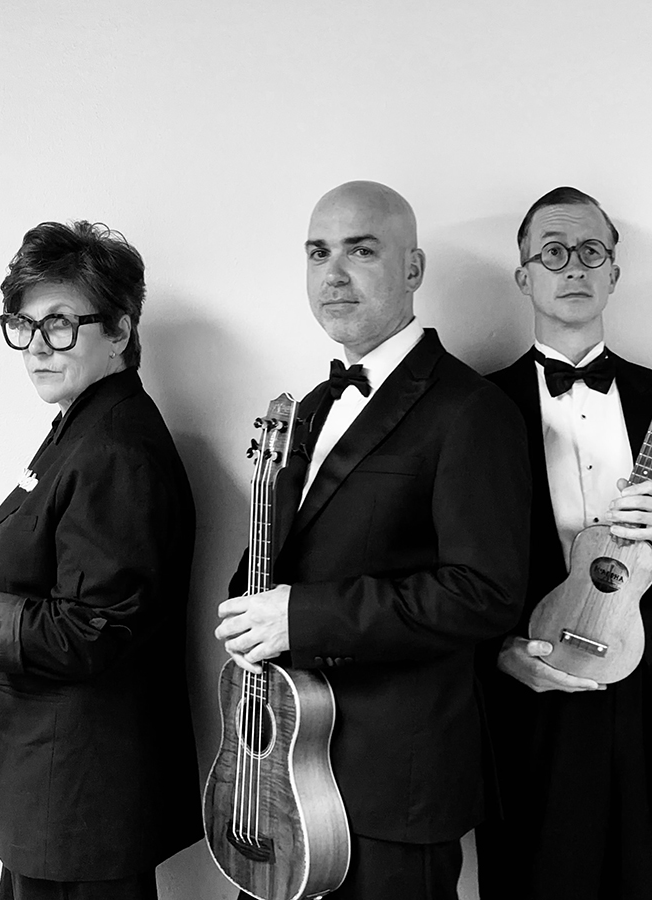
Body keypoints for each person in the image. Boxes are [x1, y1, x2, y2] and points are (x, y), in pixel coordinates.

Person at [213, 181, 531, 900]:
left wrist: (302, 616)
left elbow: (486, 595)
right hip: (277, 777)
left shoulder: (471, 411)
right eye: (318, 252)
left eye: (361, 251)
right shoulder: (305, 408)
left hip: (397, 791)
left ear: (413, 270)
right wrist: (247, 613)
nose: (334, 273)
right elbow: (275, 568)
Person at [0, 221, 199, 899]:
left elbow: (89, 633)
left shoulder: (116, 450)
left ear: (119, 329)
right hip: (48, 783)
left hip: (79, 794)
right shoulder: (80, 427)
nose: (35, 348)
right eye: (22, 326)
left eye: (59, 325)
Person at [475, 186, 652, 900]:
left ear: (615, 272)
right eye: (553, 252)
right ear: (524, 275)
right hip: (534, 686)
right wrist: (499, 654)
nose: (575, 267)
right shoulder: (477, 407)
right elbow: (454, 567)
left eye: (593, 251)